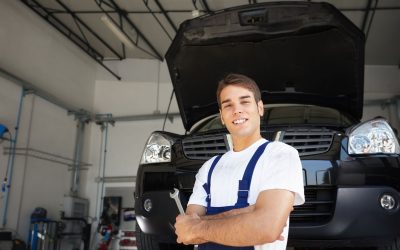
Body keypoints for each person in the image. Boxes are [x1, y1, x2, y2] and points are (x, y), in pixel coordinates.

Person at [174, 73, 305, 250]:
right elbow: (186, 234)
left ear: (260, 108)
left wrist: (200, 225)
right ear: (221, 116)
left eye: (245, 102)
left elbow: (266, 228)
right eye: (228, 105)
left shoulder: (280, 155)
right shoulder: (209, 168)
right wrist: (249, 213)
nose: (237, 110)